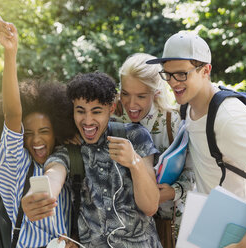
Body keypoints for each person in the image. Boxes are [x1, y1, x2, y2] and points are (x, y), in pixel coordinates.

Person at [146, 31, 246, 248]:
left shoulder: (228, 118)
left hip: (241, 234)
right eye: (168, 74)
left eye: (182, 74)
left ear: (206, 70)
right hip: (211, 230)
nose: (173, 82)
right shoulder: (189, 108)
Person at [23, 71, 163, 247]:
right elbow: (54, 173)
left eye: (96, 111)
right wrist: (38, 195)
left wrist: (134, 163)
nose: (87, 121)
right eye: (80, 111)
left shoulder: (135, 136)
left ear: (111, 108)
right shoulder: (69, 149)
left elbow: (150, 206)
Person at [0, 9, 78, 247]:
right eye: (28, 133)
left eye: (45, 131)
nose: (36, 139)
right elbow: (12, 113)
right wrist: (10, 53)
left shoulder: (67, 161)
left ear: (57, 131)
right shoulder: (16, 166)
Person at [116, 53, 195, 246]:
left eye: (141, 96)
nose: (131, 104)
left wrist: (172, 192)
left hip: (170, 225)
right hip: (129, 229)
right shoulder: (115, 122)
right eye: (125, 94)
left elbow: (194, 173)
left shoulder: (173, 122)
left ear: (156, 92)